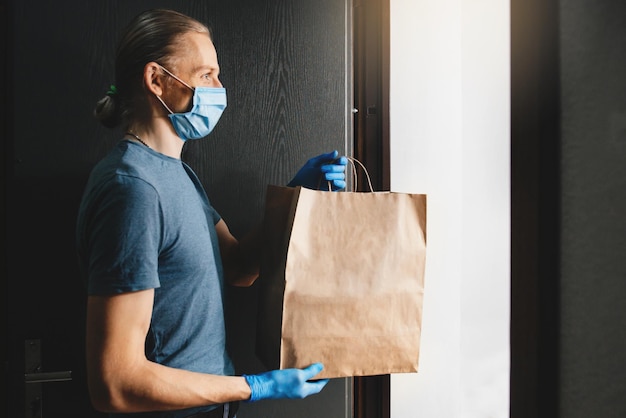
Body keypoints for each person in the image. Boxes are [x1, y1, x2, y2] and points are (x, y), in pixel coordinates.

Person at [76, 8, 348, 418]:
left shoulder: (176, 174)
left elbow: (239, 268)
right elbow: (115, 384)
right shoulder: (132, 189)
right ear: (157, 80)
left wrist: (296, 196)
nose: (220, 88)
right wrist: (255, 387)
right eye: (206, 75)